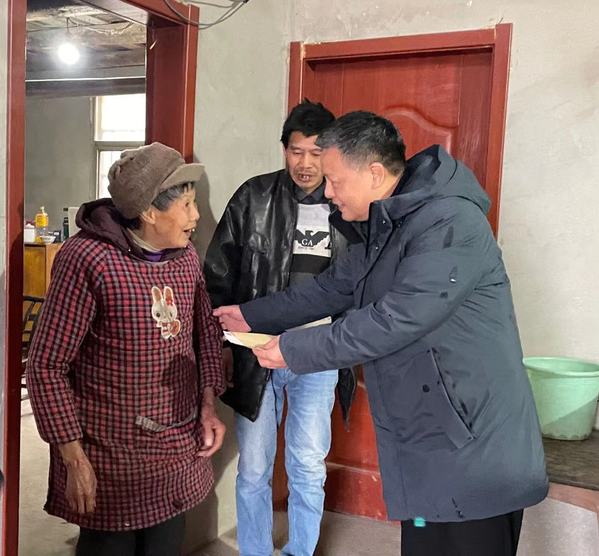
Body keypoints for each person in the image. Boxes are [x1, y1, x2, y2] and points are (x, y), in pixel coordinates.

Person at [214, 111, 548, 556]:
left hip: (474, 442)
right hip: (431, 436)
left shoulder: (449, 222)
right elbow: (330, 288)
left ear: (374, 173)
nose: (327, 193)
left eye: (335, 181)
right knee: (425, 539)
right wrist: (249, 315)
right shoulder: (389, 225)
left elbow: (396, 319)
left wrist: (293, 349)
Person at [26, 142, 226, 556]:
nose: (195, 216)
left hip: (175, 449)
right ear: (149, 211)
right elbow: (46, 366)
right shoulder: (88, 259)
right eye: (187, 205)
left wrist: (208, 405)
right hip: (111, 456)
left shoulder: (185, 257)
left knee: (164, 546)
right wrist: (73, 459)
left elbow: (204, 332)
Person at [204, 100, 354, 556]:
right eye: (296, 151)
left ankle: (300, 550)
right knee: (253, 467)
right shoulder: (254, 197)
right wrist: (222, 345)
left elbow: (360, 283)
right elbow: (217, 274)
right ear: (284, 149)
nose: (305, 163)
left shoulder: (346, 204)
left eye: (316, 153)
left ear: (332, 153)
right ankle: (254, 550)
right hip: (256, 352)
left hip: (318, 352)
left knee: (307, 463)